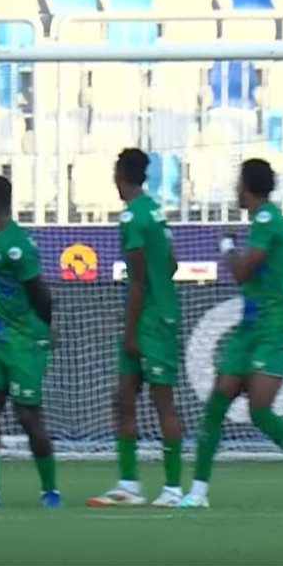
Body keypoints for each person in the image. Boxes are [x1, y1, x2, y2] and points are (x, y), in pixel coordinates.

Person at [179, 158, 283, 509]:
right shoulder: (267, 222)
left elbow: (243, 272)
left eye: (238, 183)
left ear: (246, 187)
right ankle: (197, 493)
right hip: (252, 327)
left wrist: (227, 247)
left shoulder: (267, 219)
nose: (235, 189)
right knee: (217, 402)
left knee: (260, 411)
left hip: (274, 328)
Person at [87, 149, 185, 508]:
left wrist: (130, 332)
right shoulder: (155, 212)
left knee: (161, 403)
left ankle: (173, 489)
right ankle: (128, 485)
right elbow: (171, 264)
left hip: (150, 322)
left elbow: (138, 281)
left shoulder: (132, 218)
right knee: (125, 398)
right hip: (158, 315)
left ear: (119, 175)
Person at [0, 176, 61, 509]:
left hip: (23, 341)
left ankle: (50, 490)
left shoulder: (17, 244)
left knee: (27, 415)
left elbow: (40, 291)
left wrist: (47, 327)